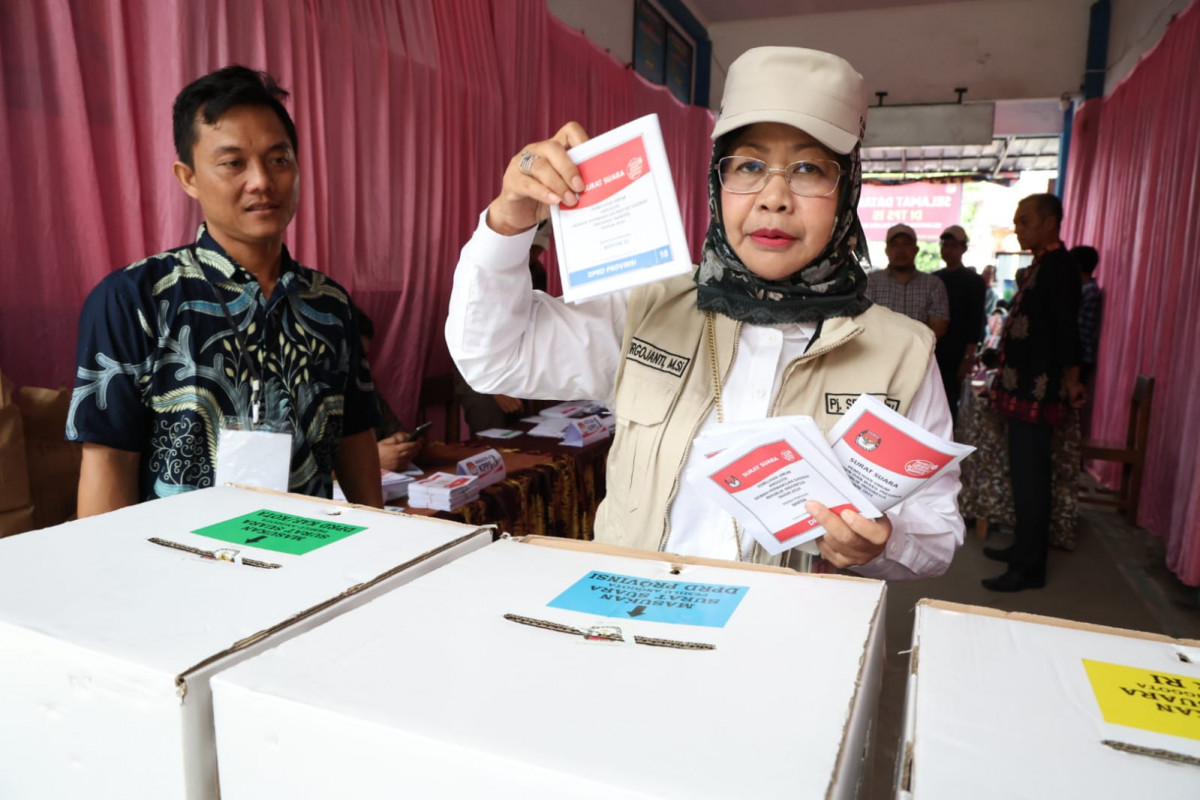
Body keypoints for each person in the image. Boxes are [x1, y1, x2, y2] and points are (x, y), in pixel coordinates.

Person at [447, 46, 963, 578]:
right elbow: (494, 358)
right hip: (627, 629)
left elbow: (938, 536)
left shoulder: (902, 354)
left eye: (809, 169)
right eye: (749, 166)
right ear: (719, 185)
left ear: (847, 188)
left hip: (783, 649)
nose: (774, 197)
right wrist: (508, 222)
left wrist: (882, 543)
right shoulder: (646, 306)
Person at [67, 66, 382, 515]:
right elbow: (108, 460)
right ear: (188, 176)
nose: (261, 181)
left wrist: (381, 539)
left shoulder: (329, 303)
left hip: (311, 560)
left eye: (279, 159)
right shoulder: (134, 298)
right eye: (233, 163)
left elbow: (354, 436)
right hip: (179, 568)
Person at [982, 193, 1084, 592]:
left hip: (1038, 392)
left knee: (1033, 479)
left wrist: (1073, 380)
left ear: (1049, 223)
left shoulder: (1060, 267)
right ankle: (1022, 549)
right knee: (1022, 475)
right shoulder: (1040, 265)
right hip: (1021, 387)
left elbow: (1067, 332)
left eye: (1024, 221)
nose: (1018, 229)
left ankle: (1030, 567)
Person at [352, 306, 423, 472]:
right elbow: (294, 478)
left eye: (366, 357)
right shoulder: (301, 401)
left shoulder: (366, 392)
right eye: (354, 357)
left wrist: (400, 442)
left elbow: (394, 431)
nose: (363, 367)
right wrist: (372, 461)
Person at [933, 225, 986, 424]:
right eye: (945, 245)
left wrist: (968, 357)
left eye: (953, 245)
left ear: (963, 248)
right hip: (935, 349)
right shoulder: (935, 278)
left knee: (949, 400)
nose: (948, 250)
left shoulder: (974, 281)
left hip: (957, 353)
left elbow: (975, 321)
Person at [865, 224, 950, 340]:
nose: (900, 250)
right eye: (894, 245)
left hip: (920, 354)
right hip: (878, 353)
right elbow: (863, 323)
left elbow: (939, 328)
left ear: (916, 249)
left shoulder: (933, 284)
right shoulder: (870, 282)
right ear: (887, 250)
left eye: (906, 244)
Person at [1072, 245, 1102, 383]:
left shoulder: (1087, 291)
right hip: (1079, 356)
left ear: (1077, 266)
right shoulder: (1085, 289)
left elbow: (1073, 326)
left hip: (1079, 357)